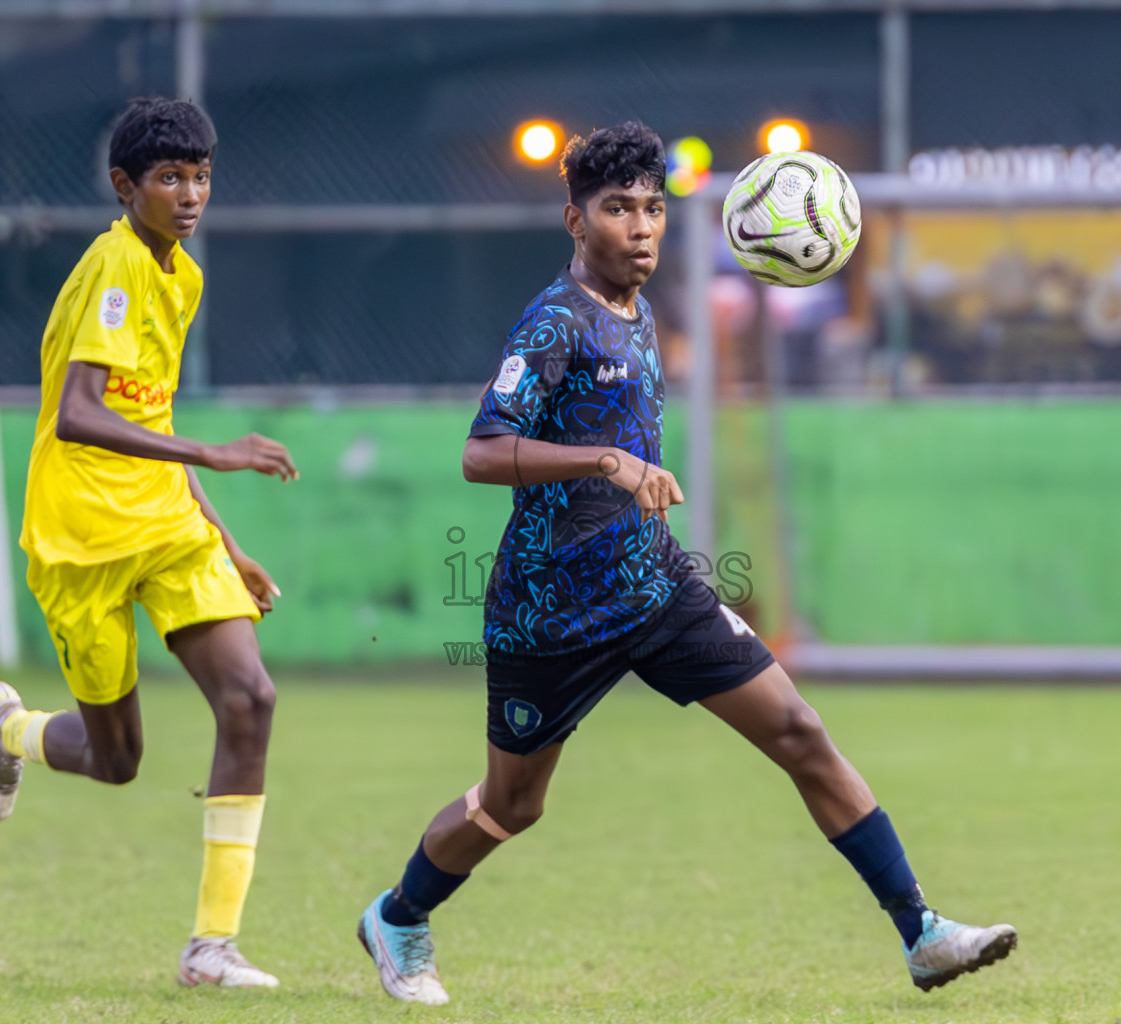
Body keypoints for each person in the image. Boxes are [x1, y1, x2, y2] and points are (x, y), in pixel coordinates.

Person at [356, 122, 1017, 1006]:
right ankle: (398, 917)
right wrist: (604, 460)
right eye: (617, 209)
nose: (640, 227)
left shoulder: (644, 308)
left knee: (799, 732)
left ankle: (923, 935)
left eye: (653, 209)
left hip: (655, 586)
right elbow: (482, 453)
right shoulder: (554, 322)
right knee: (512, 806)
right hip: (548, 609)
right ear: (574, 219)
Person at [0, 96, 297, 989]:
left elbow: (151, 410)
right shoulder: (113, 270)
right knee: (116, 761)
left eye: (201, 177)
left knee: (250, 699)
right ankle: (7, 730)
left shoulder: (180, 274)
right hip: (81, 536)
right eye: (170, 178)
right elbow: (78, 415)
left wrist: (223, 542)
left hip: (167, 524)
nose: (190, 195)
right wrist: (214, 455)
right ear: (125, 185)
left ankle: (211, 948)